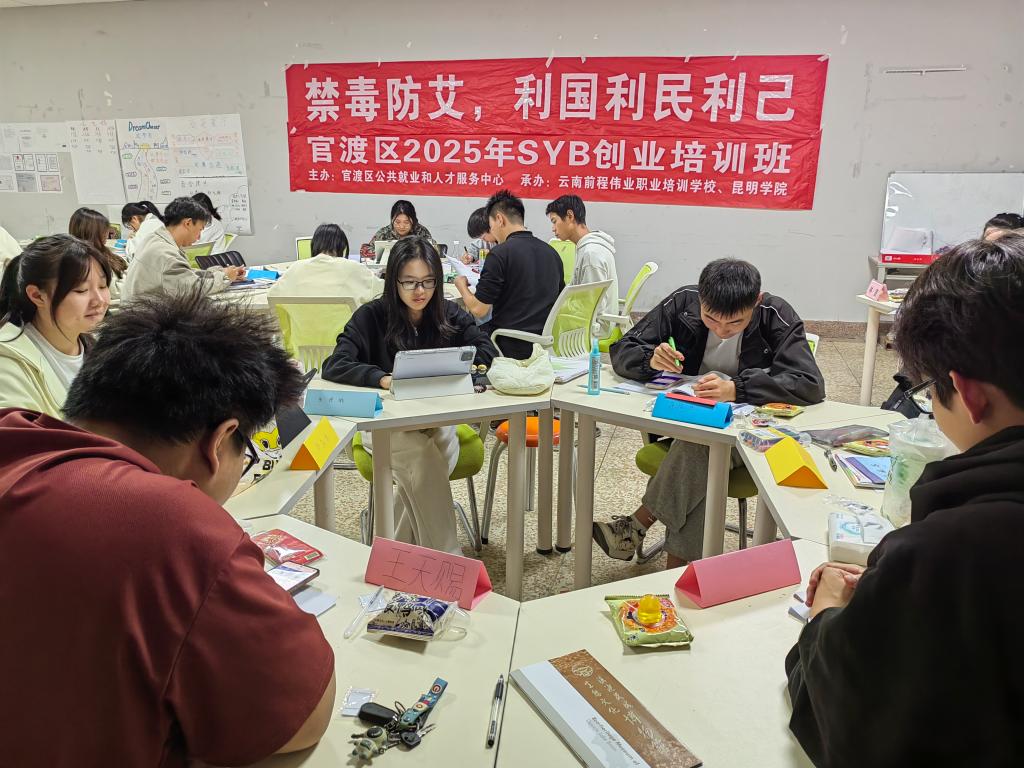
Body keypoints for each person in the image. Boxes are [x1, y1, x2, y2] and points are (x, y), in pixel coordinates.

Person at [0, 291, 335, 765]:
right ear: (220, 441)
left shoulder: (16, 435)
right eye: (246, 452)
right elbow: (300, 718)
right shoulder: (174, 524)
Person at [786, 235, 1024, 766]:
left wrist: (828, 607)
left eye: (927, 390)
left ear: (967, 393)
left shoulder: (947, 549)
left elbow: (850, 721)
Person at [593, 259, 825, 567]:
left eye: (735, 323)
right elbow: (622, 350)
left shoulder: (774, 314)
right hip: (686, 422)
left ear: (756, 302)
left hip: (747, 434)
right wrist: (650, 360)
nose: (722, 331)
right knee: (701, 451)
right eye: (711, 319)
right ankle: (679, 577)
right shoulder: (682, 303)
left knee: (700, 449)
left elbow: (809, 384)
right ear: (700, 298)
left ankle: (636, 528)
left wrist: (737, 388)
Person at [323, 237, 497, 554]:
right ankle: (449, 559)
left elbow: (485, 349)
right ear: (393, 282)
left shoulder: (448, 314)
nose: (420, 292)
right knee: (423, 456)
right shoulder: (371, 316)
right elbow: (335, 364)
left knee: (428, 459)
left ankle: (395, 559)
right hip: (387, 428)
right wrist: (382, 378)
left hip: (437, 422)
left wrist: (463, 371)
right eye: (410, 282)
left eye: (428, 282)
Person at [0, 235, 111, 416]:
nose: (99, 300)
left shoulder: (98, 345)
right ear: (37, 296)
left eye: (103, 286)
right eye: (81, 290)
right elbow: (16, 429)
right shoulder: (7, 360)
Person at [455, 190, 565, 359]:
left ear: (500, 219)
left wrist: (461, 286)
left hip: (505, 343)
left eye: (490, 225)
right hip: (543, 345)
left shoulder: (499, 254)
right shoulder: (552, 253)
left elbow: (478, 310)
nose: (491, 232)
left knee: (458, 329)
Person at [268, 223, 384, 357]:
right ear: (342, 247)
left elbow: (273, 297)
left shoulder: (294, 269)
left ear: (314, 245)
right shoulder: (354, 269)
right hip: (346, 355)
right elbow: (384, 291)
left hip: (301, 356)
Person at [122, 196, 246, 300]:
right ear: (188, 223)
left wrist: (220, 272)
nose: (199, 237)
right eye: (200, 230)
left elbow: (184, 275)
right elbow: (193, 288)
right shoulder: (165, 253)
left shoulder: (155, 238)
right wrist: (225, 278)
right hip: (146, 318)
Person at [545, 194, 619, 337]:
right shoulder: (587, 248)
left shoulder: (591, 254)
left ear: (570, 216)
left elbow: (591, 307)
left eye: (554, 221)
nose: (553, 229)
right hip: (588, 322)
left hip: (594, 330)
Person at [69, 207, 128, 296]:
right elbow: (116, 291)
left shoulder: (103, 251)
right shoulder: (88, 261)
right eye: (103, 231)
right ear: (91, 233)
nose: (107, 235)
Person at [363, 199, 436, 260]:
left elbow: (434, 250)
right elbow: (365, 251)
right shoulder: (384, 233)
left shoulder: (421, 231)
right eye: (397, 222)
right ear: (392, 220)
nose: (401, 226)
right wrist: (385, 254)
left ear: (413, 220)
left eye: (406, 222)